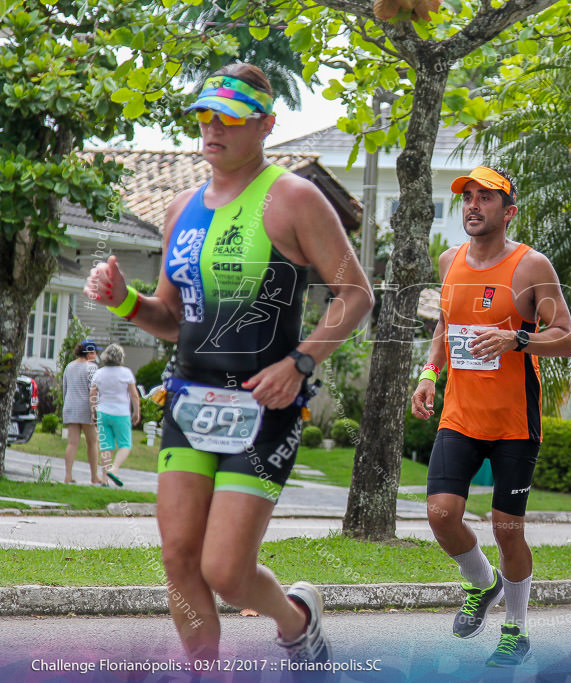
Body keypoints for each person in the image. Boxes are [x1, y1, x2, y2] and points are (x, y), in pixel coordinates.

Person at [83, 63, 373, 664]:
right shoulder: (181, 208)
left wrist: (300, 362)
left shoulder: (294, 197)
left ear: (265, 125)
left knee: (226, 571)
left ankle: (295, 618)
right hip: (190, 399)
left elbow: (356, 295)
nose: (212, 129)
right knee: (179, 560)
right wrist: (124, 301)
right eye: (205, 116)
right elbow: (170, 316)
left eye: (230, 119)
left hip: (265, 401)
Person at [411, 166, 571, 667]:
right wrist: (428, 373)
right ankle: (483, 584)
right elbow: (446, 322)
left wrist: (517, 338)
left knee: (508, 529)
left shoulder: (531, 267)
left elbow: (566, 338)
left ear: (510, 211)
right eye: (468, 197)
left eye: (486, 198)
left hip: (513, 423)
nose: (473, 206)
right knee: (441, 514)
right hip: (460, 415)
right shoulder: (449, 261)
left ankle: (516, 631)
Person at [90, 343, 141, 487]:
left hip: (103, 412)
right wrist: (136, 412)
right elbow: (134, 395)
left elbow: (92, 393)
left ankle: (105, 480)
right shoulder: (126, 373)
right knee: (125, 444)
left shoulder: (99, 373)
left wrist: (93, 411)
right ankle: (115, 468)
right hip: (121, 413)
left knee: (106, 446)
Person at [62, 339, 102, 485]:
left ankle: (68, 475)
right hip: (86, 408)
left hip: (70, 406)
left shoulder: (69, 367)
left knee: (72, 442)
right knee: (92, 442)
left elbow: (64, 388)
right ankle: (94, 476)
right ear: (89, 353)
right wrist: (95, 410)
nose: (96, 354)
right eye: (95, 351)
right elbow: (94, 391)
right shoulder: (92, 368)